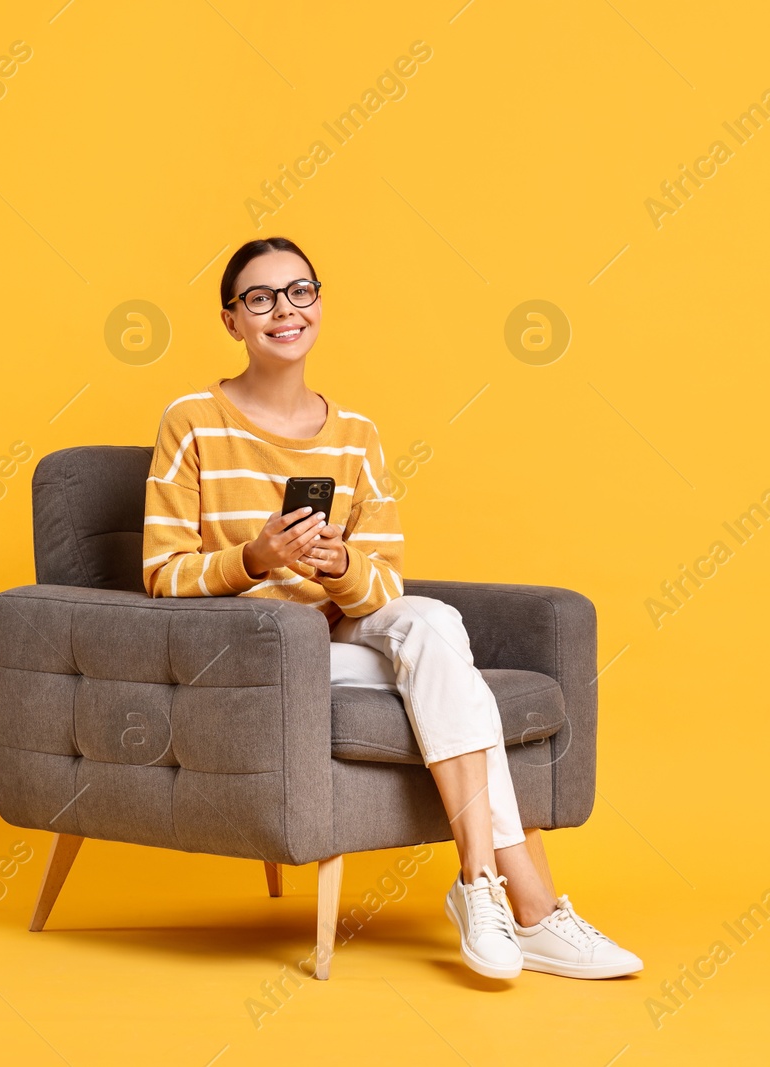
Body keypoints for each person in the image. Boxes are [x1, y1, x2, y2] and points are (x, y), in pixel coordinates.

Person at [140, 236, 642, 981]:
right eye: (260, 298)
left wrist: (340, 565)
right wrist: (256, 557)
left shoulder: (356, 436)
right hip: (254, 654)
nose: (284, 310)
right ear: (231, 321)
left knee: (436, 624)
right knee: (459, 685)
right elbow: (160, 575)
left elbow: (386, 588)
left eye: (300, 291)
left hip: (342, 640)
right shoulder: (191, 421)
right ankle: (533, 905)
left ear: (319, 303)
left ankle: (480, 886)